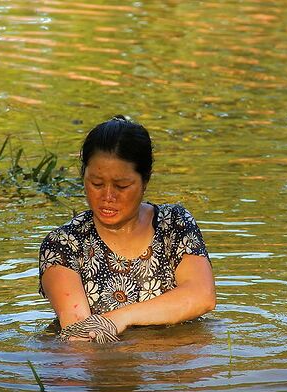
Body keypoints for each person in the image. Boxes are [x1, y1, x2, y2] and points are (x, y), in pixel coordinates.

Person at [38, 115, 215, 342]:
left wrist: (118, 319)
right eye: (97, 184)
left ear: (145, 181)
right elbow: (80, 338)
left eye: (122, 186)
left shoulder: (174, 224)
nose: (108, 197)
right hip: (105, 368)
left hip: (175, 369)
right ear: (83, 176)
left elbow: (202, 295)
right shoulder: (64, 243)